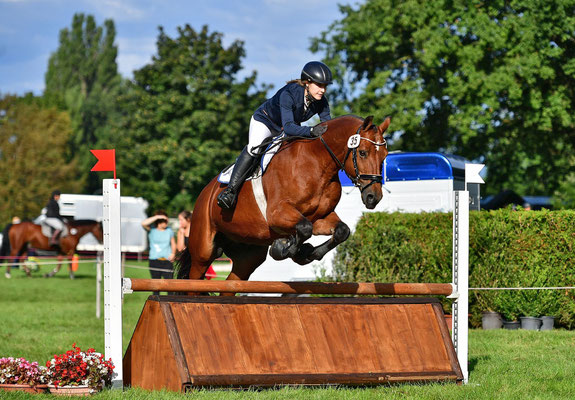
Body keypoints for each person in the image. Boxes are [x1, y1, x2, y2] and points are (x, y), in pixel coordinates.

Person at [217, 61, 333, 209]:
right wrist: (310, 131)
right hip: (265, 122)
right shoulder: (289, 94)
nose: (323, 90)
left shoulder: (321, 102)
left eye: (325, 86)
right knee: (254, 148)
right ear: (307, 83)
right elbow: (291, 128)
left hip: (284, 128)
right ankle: (230, 192)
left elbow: (327, 125)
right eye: (319, 85)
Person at [141, 211, 176, 295]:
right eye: (165, 221)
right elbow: (143, 223)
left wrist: (173, 253)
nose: (167, 222)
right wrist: (157, 217)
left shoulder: (169, 231)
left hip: (167, 261)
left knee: (170, 286)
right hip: (154, 261)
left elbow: (173, 243)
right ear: (159, 222)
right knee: (156, 287)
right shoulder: (151, 230)